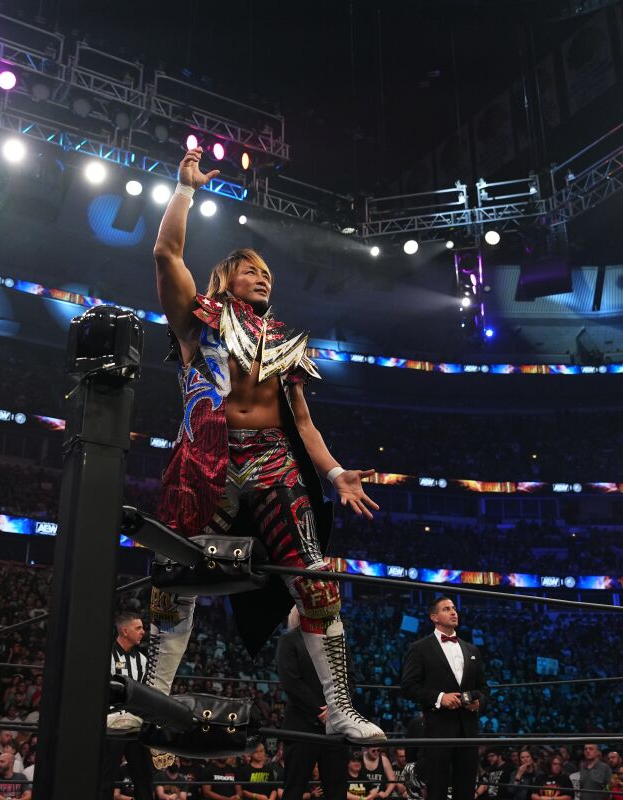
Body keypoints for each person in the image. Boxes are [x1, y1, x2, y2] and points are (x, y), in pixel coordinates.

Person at [143, 145, 384, 743]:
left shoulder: (285, 345)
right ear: (227, 277)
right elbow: (165, 252)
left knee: (316, 580)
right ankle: (151, 698)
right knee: (176, 574)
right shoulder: (197, 320)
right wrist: (185, 190)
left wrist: (333, 475)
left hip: (273, 460)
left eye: (268, 274)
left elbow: (302, 423)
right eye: (252, 269)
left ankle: (343, 712)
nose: (263, 278)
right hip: (207, 458)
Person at [400, 597, 487, 800]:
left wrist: (478, 702)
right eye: (447, 609)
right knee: (437, 787)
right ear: (434, 617)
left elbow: (484, 688)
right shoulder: (420, 648)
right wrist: (440, 697)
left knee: (466, 787)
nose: (453, 612)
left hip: (468, 728)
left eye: (454, 608)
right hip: (438, 726)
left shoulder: (472, 649)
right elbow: (408, 686)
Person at [277, 610, 348, 800]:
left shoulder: (337, 640)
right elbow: (291, 682)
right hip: (302, 725)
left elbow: (350, 679)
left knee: (337, 789)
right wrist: (320, 710)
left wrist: (336, 708)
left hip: (335, 725)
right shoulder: (289, 641)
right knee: (295, 788)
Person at [104, 611, 153, 800]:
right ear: (125, 631)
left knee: (144, 777)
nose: (143, 632)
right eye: (138, 628)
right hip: (111, 725)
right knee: (105, 778)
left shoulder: (142, 660)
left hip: (135, 725)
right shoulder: (105, 654)